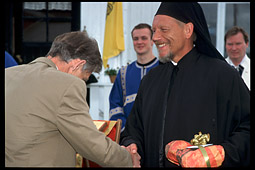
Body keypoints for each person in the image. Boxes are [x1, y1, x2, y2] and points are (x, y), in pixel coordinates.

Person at [120, 2, 250, 167]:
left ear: (188, 30)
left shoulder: (223, 75)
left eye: (164, 30)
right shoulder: (151, 80)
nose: (155, 38)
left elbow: (246, 128)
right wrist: (132, 145)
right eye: (154, 31)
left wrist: (219, 154)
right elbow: (134, 129)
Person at [5, 31, 140, 167]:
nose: (82, 82)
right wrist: (127, 159)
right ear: (77, 65)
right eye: (84, 77)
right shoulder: (67, 84)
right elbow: (91, 143)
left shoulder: (8, 75)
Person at [109, 23, 159, 131]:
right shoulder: (123, 73)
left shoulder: (164, 69)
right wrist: (126, 132)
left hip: (157, 134)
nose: (139, 42)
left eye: (144, 38)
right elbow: (115, 107)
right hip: (130, 139)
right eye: (136, 39)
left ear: (152, 41)